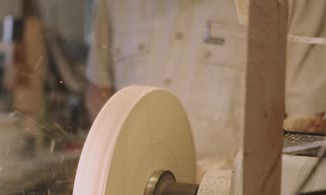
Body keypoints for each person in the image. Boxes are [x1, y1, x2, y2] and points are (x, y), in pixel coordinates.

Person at [85, 0, 247, 172]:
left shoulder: (260, 8)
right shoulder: (116, 4)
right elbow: (100, 90)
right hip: (134, 185)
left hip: (229, 189)